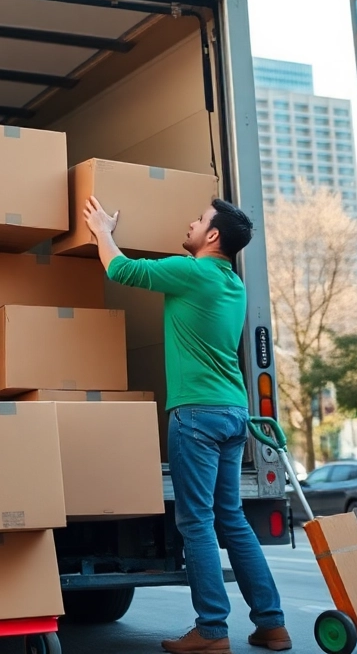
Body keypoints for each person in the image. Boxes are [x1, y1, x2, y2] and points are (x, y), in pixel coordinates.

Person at [84, 195, 289, 654]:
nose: (190, 223)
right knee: (231, 519)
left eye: (199, 220)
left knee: (196, 522)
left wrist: (102, 231)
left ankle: (212, 631)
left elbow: (121, 270)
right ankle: (272, 624)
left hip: (195, 414)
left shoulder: (192, 272)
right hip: (234, 413)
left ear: (212, 236)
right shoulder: (233, 285)